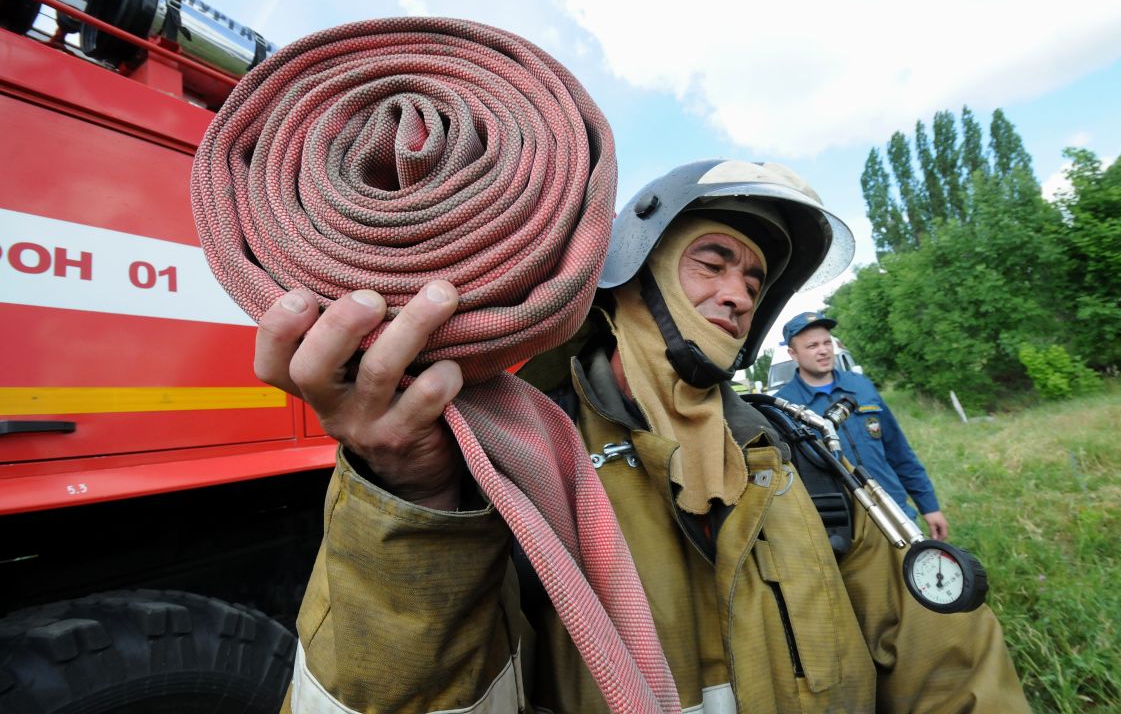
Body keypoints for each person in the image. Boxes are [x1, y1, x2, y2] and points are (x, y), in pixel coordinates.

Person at [255, 159, 1028, 712]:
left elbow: (951, 674)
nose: (736, 295)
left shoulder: (801, 460)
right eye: (713, 263)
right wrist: (415, 496)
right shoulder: (509, 476)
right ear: (631, 277)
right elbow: (392, 696)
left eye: (753, 283)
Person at [776, 312, 951, 540]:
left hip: (894, 508)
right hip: (841, 525)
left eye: (827, 342)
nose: (823, 350)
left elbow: (898, 450)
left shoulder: (861, 387)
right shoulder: (785, 407)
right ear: (793, 354)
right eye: (812, 345)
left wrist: (929, 506)